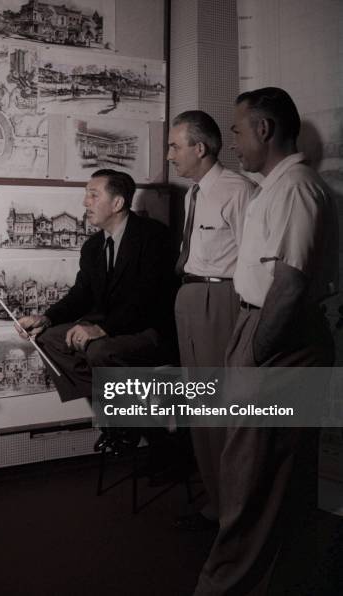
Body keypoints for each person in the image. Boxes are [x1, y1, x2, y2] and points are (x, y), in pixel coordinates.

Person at [193, 87, 338, 595]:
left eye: (235, 129)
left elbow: (290, 284)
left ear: (264, 129)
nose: (231, 141)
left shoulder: (295, 187)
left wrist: (255, 352)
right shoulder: (276, 187)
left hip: (280, 337)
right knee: (277, 482)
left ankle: (222, 587)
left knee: (249, 483)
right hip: (265, 330)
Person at [16, 169, 176, 455]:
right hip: (113, 330)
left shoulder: (154, 237)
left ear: (117, 203)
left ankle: (126, 423)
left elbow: (149, 300)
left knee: (98, 352)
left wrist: (101, 329)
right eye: (85, 194)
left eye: (93, 194)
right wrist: (46, 318)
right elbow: (81, 295)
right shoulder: (92, 247)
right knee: (49, 339)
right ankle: (130, 417)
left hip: (150, 330)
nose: (85, 202)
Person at [167, 110, 255, 531]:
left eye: (174, 146)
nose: (170, 155)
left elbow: (254, 261)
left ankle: (235, 510)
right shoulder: (193, 194)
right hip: (190, 294)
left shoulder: (238, 190)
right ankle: (215, 501)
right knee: (197, 402)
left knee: (222, 404)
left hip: (222, 297)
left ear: (199, 148)